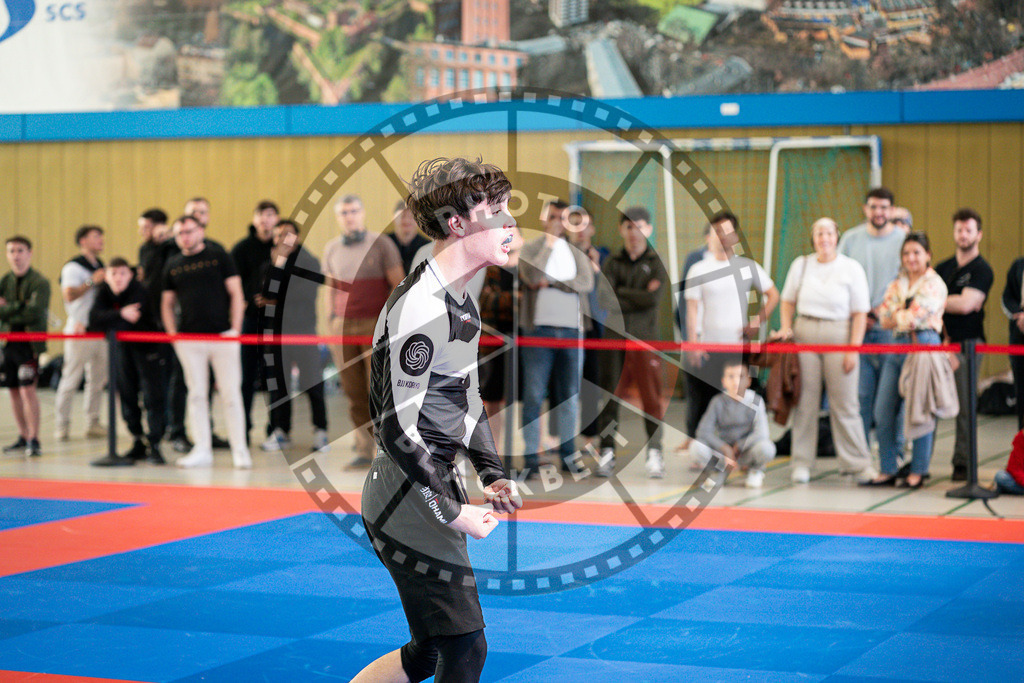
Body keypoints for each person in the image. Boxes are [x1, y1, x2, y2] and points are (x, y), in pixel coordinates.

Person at [353, 157, 523, 683]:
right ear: (457, 225)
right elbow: (395, 430)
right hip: (406, 499)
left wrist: (491, 472)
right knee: (466, 649)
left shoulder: (461, 299)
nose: (510, 223)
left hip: (423, 489)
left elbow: (466, 399)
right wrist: (452, 511)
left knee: (429, 649)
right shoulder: (421, 307)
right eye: (494, 211)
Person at [774, 218, 877, 484]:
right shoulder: (801, 264)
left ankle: (857, 464)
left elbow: (859, 313)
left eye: (829, 232)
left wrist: (853, 350)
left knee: (845, 404)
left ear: (837, 236)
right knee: (805, 402)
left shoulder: (851, 268)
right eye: (819, 233)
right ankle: (801, 462)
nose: (824, 238)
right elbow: (787, 301)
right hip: (805, 333)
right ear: (813, 237)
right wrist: (787, 328)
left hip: (840, 336)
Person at [684, 211, 779, 458]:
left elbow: (773, 295)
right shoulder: (698, 269)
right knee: (705, 402)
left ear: (735, 236)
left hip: (737, 350)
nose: (721, 236)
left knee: (738, 401)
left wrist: (757, 322)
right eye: (717, 231)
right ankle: (707, 452)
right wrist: (693, 345)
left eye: (727, 231)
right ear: (708, 236)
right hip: (708, 349)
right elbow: (692, 310)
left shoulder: (747, 267)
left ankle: (743, 449)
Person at [161, 214, 252, 469]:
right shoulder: (173, 264)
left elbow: (236, 293)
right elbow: (167, 303)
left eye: (189, 231)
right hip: (189, 340)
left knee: (231, 394)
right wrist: (173, 335)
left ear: (200, 230)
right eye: (179, 233)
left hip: (223, 336)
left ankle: (240, 450)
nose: (184, 237)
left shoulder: (219, 256)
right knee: (196, 395)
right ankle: (202, 450)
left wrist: (235, 329)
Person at [322, 194, 404, 469]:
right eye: (344, 212)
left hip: (374, 325)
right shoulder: (331, 248)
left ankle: (385, 450)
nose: (350, 216)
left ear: (363, 213)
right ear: (338, 217)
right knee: (352, 390)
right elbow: (331, 290)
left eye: (354, 210)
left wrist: (389, 323)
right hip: (343, 327)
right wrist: (330, 323)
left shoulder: (382, 243)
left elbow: (398, 285)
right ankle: (362, 449)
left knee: (377, 389)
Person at [863, 232, 947, 489]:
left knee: (919, 411)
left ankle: (918, 470)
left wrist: (899, 314)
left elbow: (917, 316)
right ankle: (888, 468)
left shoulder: (935, 283)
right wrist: (903, 314)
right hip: (895, 346)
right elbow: (883, 316)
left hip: (923, 344)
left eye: (916, 253)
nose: (911, 258)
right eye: (906, 253)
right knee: (883, 410)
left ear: (927, 255)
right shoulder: (897, 283)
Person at [518, 199, 594, 476]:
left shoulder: (576, 252)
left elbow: (586, 283)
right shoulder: (531, 248)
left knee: (569, 396)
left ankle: (568, 455)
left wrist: (552, 283)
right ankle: (530, 458)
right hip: (539, 331)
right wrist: (548, 246)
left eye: (562, 217)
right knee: (534, 395)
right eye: (552, 216)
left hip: (572, 332)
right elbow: (530, 275)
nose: (557, 222)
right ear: (543, 219)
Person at [594, 207, 669, 478]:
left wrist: (621, 293)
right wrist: (637, 294)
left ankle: (655, 453)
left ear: (648, 229)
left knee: (652, 398)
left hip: (646, 341)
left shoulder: (656, 262)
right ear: (621, 230)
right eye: (628, 227)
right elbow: (605, 298)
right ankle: (606, 451)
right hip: (614, 341)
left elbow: (653, 300)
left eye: (639, 227)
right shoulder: (612, 262)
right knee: (609, 398)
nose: (633, 233)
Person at [838, 187, 904, 444]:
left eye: (884, 207)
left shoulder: (903, 241)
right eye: (874, 207)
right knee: (861, 396)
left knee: (892, 397)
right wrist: (856, 313)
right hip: (858, 330)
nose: (879, 212)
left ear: (892, 210)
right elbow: (839, 279)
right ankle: (861, 454)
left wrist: (883, 311)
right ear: (866, 209)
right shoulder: (851, 240)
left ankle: (894, 454)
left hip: (890, 329)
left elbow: (910, 282)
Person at [87, 257, 167, 467]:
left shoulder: (139, 290)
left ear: (130, 275)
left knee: (152, 397)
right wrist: (120, 313)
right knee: (127, 395)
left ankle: (156, 444)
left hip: (148, 349)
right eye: (114, 273)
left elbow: (129, 323)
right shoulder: (103, 292)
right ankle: (137, 440)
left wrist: (110, 321)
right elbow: (93, 320)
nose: (118, 278)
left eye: (123, 273)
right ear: (107, 275)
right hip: (122, 351)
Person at [258, 219, 328, 453]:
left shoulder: (309, 261)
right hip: (276, 334)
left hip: (303, 332)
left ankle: (321, 431)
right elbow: (262, 293)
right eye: (278, 235)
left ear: (297, 237)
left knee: (312, 383)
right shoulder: (272, 262)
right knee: (278, 384)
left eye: (287, 234)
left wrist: (273, 301)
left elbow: (302, 296)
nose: (282, 239)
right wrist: (277, 267)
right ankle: (280, 430)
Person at [934, 208, 993, 481]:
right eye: (959, 229)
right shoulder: (942, 268)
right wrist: (946, 302)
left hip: (969, 345)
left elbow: (968, 304)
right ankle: (919, 461)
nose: (963, 235)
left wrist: (935, 301)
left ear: (978, 234)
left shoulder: (982, 269)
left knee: (964, 405)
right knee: (929, 401)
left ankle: (963, 462)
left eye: (969, 230)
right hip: (940, 343)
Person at [53, 224, 107, 441]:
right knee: (71, 378)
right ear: (83, 240)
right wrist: (92, 281)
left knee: (97, 380)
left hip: (99, 330)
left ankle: (92, 422)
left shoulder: (100, 264)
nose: (101, 240)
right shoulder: (74, 267)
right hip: (79, 329)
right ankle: (61, 424)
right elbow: (69, 295)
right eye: (96, 236)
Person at [231, 199, 279, 443]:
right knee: (245, 377)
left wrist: (273, 301)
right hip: (249, 320)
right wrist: (249, 300)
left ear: (276, 220)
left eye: (270, 215)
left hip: (275, 322)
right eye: (261, 215)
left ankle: (275, 430)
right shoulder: (240, 249)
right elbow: (232, 284)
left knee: (273, 376)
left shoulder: (285, 247)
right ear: (254, 219)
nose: (265, 220)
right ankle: (243, 427)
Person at [0, 236, 50, 457]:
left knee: (28, 389)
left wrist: (10, 307)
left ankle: (34, 437)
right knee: (12, 390)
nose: (16, 255)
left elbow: (35, 311)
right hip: (8, 341)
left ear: (29, 253)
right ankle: (22, 435)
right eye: (11, 251)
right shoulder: (5, 281)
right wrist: (20, 307)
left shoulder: (40, 282)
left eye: (20, 250)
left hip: (28, 344)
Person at [691, 360, 776, 488]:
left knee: (767, 448)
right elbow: (703, 431)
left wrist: (739, 446)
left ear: (748, 381)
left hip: (746, 452)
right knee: (696, 447)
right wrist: (726, 449)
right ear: (723, 381)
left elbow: (761, 433)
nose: (736, 381)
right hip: (723, 455)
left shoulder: (756, 401)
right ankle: (716, 471)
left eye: (741, 376)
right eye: (731, 376)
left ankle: (755, 470)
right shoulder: (717, 402)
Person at [476, 227, 522, 452]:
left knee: (528, 397)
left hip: (524, 341)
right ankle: (494, 448)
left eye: (514, 233)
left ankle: (534, 447)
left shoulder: (528, 268)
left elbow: (532, 302)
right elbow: (486, 299)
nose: (509, 237)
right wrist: (515, 298)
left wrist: (512, 300)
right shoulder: (491, 267)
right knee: (492, 397)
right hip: (493, 340)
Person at [569, 215, 610, 451]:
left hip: (593, 326)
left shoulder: (602, 256)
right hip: (566, 325)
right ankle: (557, 436)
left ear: (592, 228)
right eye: (575, 225)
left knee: (591, 382)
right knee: (563, 383)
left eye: (585, 224)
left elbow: (608, 294)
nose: (580, 230)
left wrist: (597, 270)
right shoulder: (563, 255)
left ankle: (589, 436)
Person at [1002, 256, 1024, 430]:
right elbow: (1007, 297)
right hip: (1019, 332)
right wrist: (1018, 314)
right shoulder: (1018, 265)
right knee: (1021, 391)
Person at [387, 200, 431, 275]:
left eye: (411, 217)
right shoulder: (384, 243)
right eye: (402, 216)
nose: (406, 221)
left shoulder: (427, 247)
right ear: (393, 218)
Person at [994, 429, 1024, 495]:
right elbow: (1014, 468)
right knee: (1001, 476)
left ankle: (1010, 489)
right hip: (1021, 479)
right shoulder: (1020, 440)